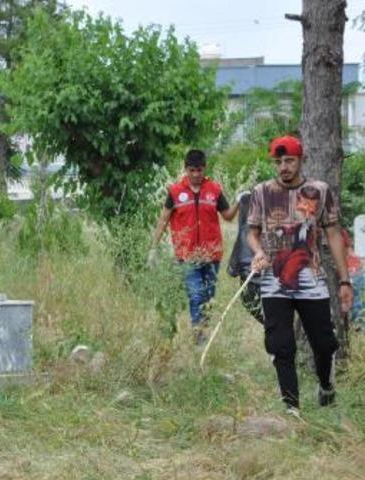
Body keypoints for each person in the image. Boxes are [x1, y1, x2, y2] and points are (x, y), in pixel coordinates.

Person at [247, 135, 352, 415]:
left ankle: (326, 387)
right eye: (279, 161)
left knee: (325, 343)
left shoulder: (319, 191)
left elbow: (332, 234)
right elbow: (252, 232)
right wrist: (257, 251)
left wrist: (344, 280)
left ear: (301, 160)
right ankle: (291, 409)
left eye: (289, 160)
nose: (284, 166)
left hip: (311, 278)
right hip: (273, 280)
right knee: (280, 345)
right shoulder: (261, 192)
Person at [148, 150, 238, 340]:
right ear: (185, 169)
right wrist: (153, 249)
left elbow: (228, 216)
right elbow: (163, 220)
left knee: (209, 299)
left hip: (211, 255)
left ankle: (204, 331)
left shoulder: (214, 190)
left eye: (199, 170)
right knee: (196, 295)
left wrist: (240, 201)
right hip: (187, 256)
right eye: (191, 170)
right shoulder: (174, 192)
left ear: (205, 168)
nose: (196, 174)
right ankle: (199, 338)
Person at [226, 191, 264, 323]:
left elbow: (232, 269)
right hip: (254, 279)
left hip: (255, 281)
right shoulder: (251, 229)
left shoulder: (248, 229)